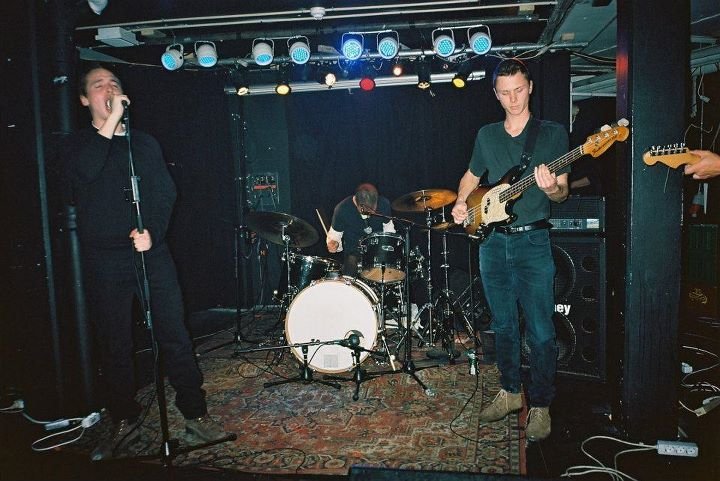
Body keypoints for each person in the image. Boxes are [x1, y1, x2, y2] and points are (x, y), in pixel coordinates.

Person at [62, 66, 230, 460]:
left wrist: (152, 230)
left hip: (150, 254)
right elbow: (84, 175)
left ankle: (195, 413)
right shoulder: (77, 145)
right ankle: (124, 415)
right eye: (99, 86)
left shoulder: (144, 144)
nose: (109, 89)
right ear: (85, 99)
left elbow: (164, 193)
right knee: (115, 341)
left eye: (114, 83)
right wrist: (112, 124)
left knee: (174, 333)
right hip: (105, 258)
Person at [451, 58, 570, 442]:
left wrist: (551, 187)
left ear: (530, 87)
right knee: (502, 326)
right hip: (491, 243)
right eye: (505, 93)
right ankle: (510, 392)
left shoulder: (551, 134)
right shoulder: (487, 135)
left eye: (518, 90)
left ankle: (542, 404)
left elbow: (562, 193)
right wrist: (461, 201)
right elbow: (471, 176)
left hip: (532, 243)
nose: (513, 99)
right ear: (495, 94)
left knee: (541, 331)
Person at [326, 183, 396, 277]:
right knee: (350, 267)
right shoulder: (342, 209)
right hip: (353, 253)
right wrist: (334, 244)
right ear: (357, 203)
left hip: (377, 251)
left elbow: (389, 230)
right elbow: (334, 236)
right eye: (366, 210)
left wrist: (387, 249)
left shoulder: (384, 204)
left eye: (373, 209)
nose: (370, 213)